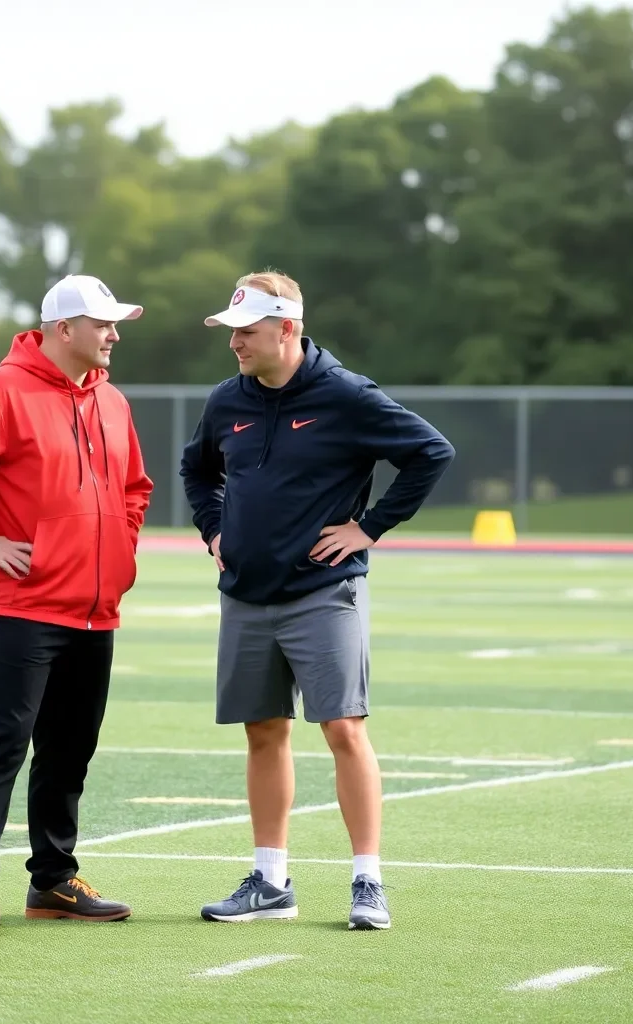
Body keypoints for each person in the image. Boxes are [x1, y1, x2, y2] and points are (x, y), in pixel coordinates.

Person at [180, 270, 455, 931]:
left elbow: (430, 452)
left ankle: (368, 882)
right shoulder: (227, 400)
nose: (235, 344)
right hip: (245, 593)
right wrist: (213, 528)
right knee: (263, 731)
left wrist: (369, 527)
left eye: (246, 332)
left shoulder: (346, 395)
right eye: (232, 332)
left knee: (343, 728)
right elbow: (197, 469)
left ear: (287, 329)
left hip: (323, 591)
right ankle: (271, 880)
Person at [0, 274, 153, 931]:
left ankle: (53, 882)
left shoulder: (114, 402)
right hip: (21, 603)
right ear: (62, 329)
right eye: (102, 323)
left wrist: (121, 553)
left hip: (94, 606)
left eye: (115, 323)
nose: (114, 334)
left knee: (70, 748)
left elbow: (136, 486)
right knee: (4, 741)